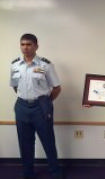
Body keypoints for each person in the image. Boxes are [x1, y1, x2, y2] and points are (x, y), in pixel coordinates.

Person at [10, 33, 63, 179]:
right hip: (21, 107)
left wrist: (45, 102)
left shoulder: (45, 65)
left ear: (36, 46)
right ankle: (28, 172)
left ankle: (55, 172)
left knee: (48, 141)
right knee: (25, 142)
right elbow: (15, 86)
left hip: (41, 108)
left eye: (29, 44)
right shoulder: (15, 65)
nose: (25, 47)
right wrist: (25, 97)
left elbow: (57, 88)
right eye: (23, 44)